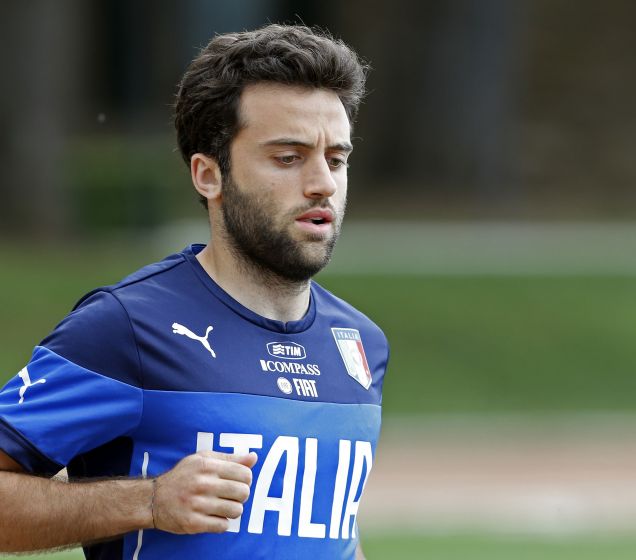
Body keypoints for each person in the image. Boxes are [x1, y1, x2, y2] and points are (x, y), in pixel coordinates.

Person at [0, 24, 387, 560]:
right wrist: (150, 502)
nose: (322, 182)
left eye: (336, 159)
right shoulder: (127, 328)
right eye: (288, 157)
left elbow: (335, 530)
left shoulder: (359, 344)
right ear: (209, 176)